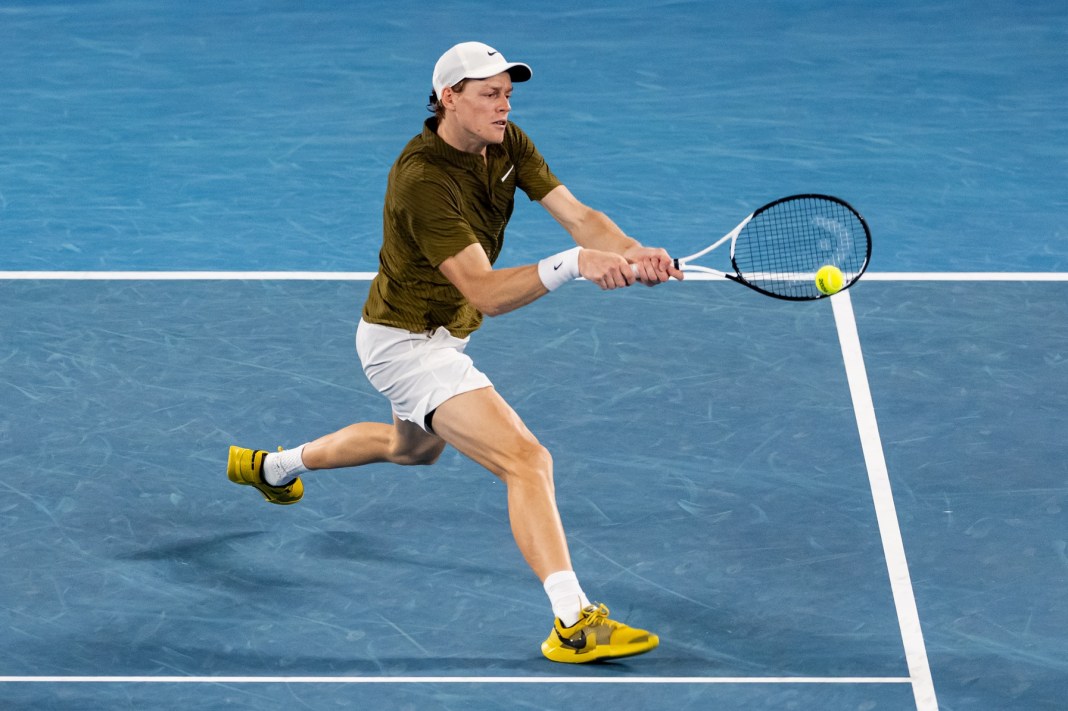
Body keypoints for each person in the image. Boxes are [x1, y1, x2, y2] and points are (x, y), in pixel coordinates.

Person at [227, 41, 683, 663]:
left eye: (508, 94)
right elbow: (487, 292)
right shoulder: (422, 180)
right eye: (489, 95)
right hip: (406, 345)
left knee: (408, 449)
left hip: (444, 334)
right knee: (527, 460)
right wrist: (577, 266)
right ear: (449, 98)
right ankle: (573, 622)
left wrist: (632, 251)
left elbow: (581, 217)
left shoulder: (507, 144)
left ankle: (271, 468)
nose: (503, 106)